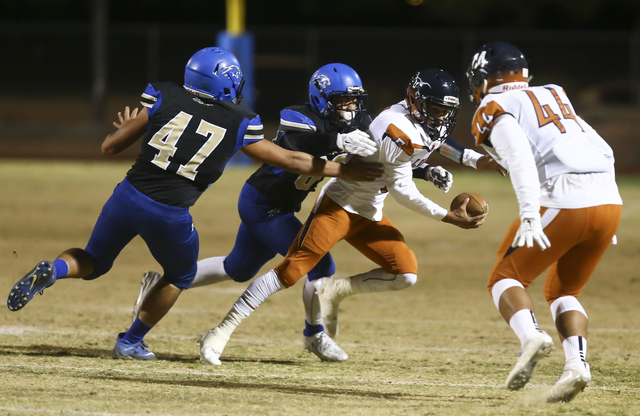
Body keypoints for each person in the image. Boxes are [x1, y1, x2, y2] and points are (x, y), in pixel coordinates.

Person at [5, 47, 383, 361]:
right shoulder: (239, 122)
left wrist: (127, 126)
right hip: (170, 213)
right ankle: (130, 341)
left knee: (94, 261)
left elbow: (109, 147)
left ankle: (54, 270)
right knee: (181, 275)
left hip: (126, 195)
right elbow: (291, 159)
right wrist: (345, 168)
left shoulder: (163, 95)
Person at [132, 64, 487, 362]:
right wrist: (336, 142)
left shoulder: (365, 120)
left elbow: (382, 163)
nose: (349, 107)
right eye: (341, 101)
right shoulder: (301, 117)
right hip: (264, 201)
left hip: (302, 204)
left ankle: (164, 283)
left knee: (237, 267)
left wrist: (425, 170)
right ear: (322, 99)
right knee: (314, 267)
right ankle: (280, 334)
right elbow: (301, 142)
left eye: (353, 100)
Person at [465, 40, 622, 402]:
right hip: (607, 201)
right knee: (564, 291)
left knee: (505, 278)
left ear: (485, 78)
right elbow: (603, 148)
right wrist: (607, 206)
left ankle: (531, 337)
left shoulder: (494, 105)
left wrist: (530, 214)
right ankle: (576, 366)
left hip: (562, 198)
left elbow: (519, 159)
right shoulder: (554, 93)